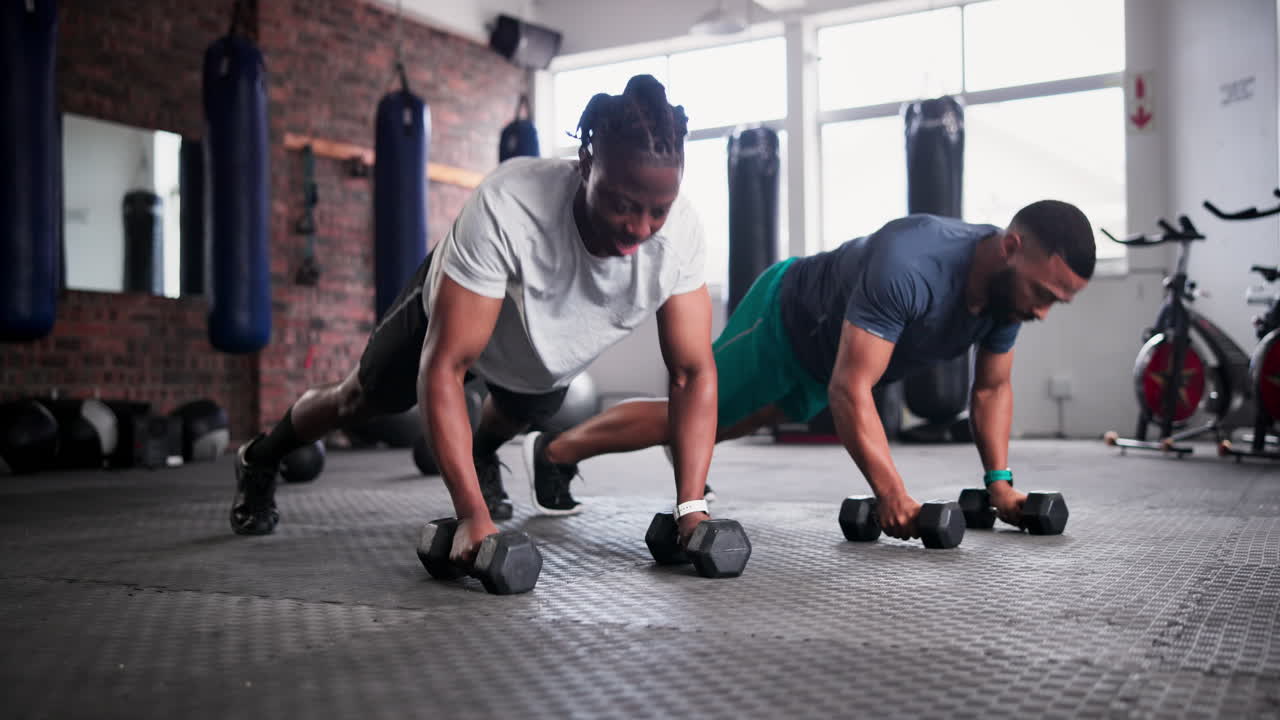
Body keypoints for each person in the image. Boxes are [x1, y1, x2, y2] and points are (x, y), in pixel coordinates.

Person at [230, 74, 719, 565]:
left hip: (543, 349)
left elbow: (691, 373)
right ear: (586, 164)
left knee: (521, 410)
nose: (639, 228)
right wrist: (471, 516)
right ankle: (261, 457)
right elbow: (444, 366)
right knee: (358, 399)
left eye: (658, 210)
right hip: (454, 311)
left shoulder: (680, 239)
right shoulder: (510, 206)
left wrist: (691, 510)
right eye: (623, 205)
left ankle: (482, 452)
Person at [524, 201, 1095, 541]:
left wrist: (1001, 485)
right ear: (1011, 248)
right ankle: (556, 452)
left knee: (723, 427)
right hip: (784, 319)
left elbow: (992, 388)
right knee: (697, 419)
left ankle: (644, 450)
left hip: (823, 360)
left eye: (1056, 303)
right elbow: (853, 389)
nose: (1040, 312)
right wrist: (892, 494)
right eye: (1042, 294)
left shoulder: (1007, 296)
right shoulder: (912, 263)